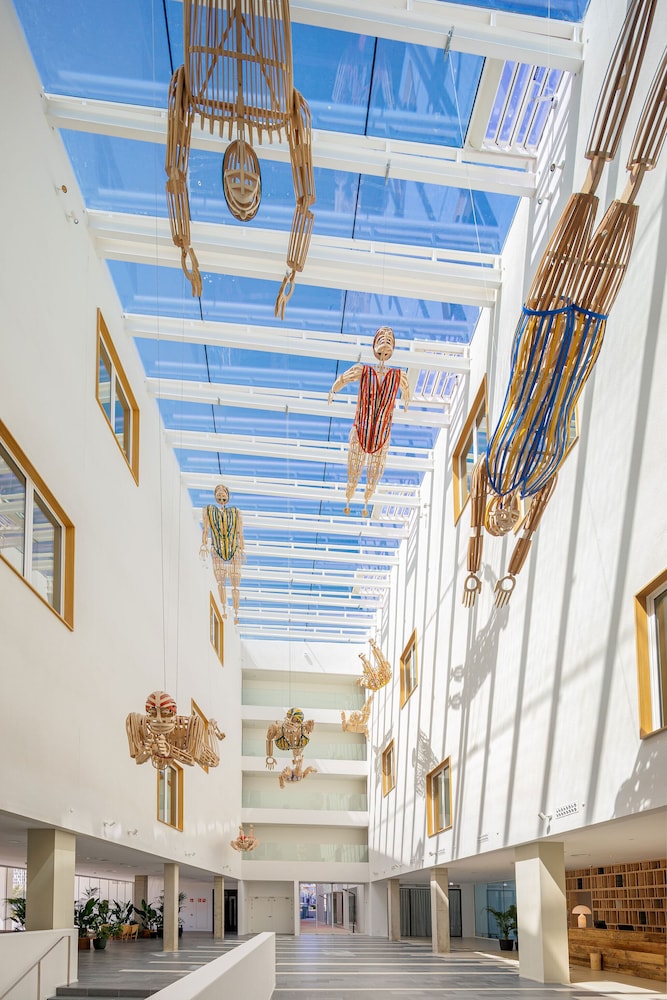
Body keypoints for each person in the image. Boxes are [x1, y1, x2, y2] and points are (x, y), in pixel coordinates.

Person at [328, 326, 410, 515]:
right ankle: (350, 496)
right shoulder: (363, 370)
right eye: (382, 337)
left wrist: (406, 402)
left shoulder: (398, 376)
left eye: (389, 338)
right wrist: (333, 390)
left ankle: (366, 500)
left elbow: (406, 391)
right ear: (375, 343)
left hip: (382, 433)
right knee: (354, 469)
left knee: (374, 472)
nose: (386, 340)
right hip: (361, 429)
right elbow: (344, 379)